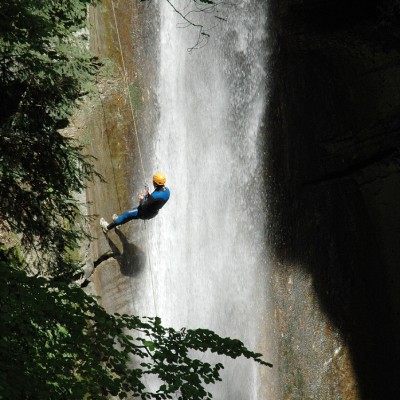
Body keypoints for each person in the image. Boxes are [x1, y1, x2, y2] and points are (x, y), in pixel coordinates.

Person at [100, 172, 170, 233]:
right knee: (130, 216)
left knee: (127, 215)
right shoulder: (167, 191)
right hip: (152, 212)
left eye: (153, 181)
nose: (153, 182)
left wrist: (142, 199)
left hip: (145, 212)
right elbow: (155, 202)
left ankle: (107, 227)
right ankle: (119, 222)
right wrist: (148, 195)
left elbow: (143, 206)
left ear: (156, 183)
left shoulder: (155, 196)